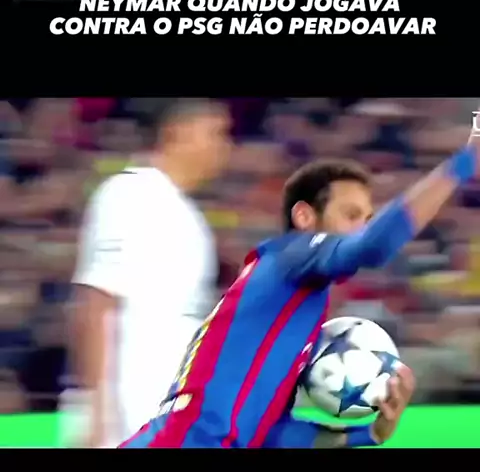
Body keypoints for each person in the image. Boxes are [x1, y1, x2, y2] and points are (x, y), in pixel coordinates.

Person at [121, 131, 480, 449]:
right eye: (351, 215)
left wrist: (370, 433)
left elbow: (274, 435)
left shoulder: (296, 304)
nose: (361, 229)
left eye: (367, 219)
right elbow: (375, 245)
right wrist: (466, 162)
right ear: (304, 217)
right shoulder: (289, 256)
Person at [65, 98, 232, 448]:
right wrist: (95, 408)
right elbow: (95, 302)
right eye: (216, 133)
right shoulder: (130, 194)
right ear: (178, 133)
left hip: (171, 411)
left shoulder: (187, 213)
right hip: (125, 412)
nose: (225, 146)